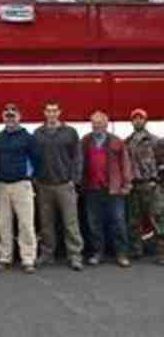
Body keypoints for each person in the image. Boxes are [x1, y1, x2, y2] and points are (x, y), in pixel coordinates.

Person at [33, 101, 84, 271]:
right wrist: (35, 179)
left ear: (59, 112)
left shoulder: (70, 132)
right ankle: (48, 254)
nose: (52, 114)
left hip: (65, 185)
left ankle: (75, 255)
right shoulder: (38, 133)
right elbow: (33, 158)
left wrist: (74, 180)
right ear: (44, 113)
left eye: (54, 111)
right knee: (46, 223)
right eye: (48, 111)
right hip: (44, 185)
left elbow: (77, 158)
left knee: (71, 223)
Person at [81, 111, 133, 267]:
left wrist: (127, 183)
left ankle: (122, 254)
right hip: (92, 189)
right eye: (94, 122)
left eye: (99, 122)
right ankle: (98, 253)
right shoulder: (85, 141)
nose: (96, 125)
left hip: (113, 189)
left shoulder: (116, 141)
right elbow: (79, 163)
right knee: (94, 223)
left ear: (106, 123)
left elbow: (125, 163)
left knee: (118, 222)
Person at [0, 103, 40, 274]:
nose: (10, 118)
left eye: (13, 115)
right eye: (7, 115)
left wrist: (29, 177)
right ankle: (5, 257)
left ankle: (28, 259)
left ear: (19, 117)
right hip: (2, 185)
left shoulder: (28, 138)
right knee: (3, 224)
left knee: (26, 224)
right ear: (3, 117)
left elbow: (37, 160)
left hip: (21, 185)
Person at [124, 108, 164, 263]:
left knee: (158, 219)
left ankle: (162, 253)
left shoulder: (155, 141)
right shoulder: (127, 142)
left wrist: (157, 182)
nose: (138, 121)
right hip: (134, 186)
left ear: (145, 121)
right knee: (134, 220)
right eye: (135, 118)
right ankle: (136, 250)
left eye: (140, 118)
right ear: (132, 121)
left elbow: (162, 164)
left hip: (151, 186)